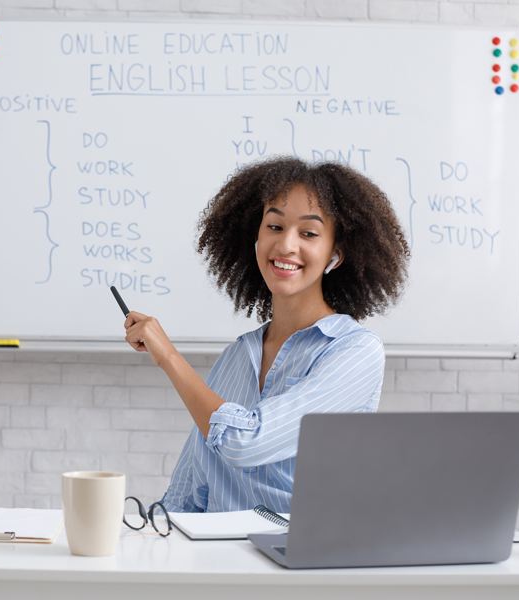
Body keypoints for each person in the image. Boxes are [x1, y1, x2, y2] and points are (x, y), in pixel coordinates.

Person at [122, 157, 410, 513]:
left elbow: (246, 443)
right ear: (255, 237)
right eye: (274, 226)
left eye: (308, 233)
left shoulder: (355, 353)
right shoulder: (237, 357)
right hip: (217, 563)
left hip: (298, 564)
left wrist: (168, 356)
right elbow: (190, 487)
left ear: (335, 254)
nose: (286, 245)